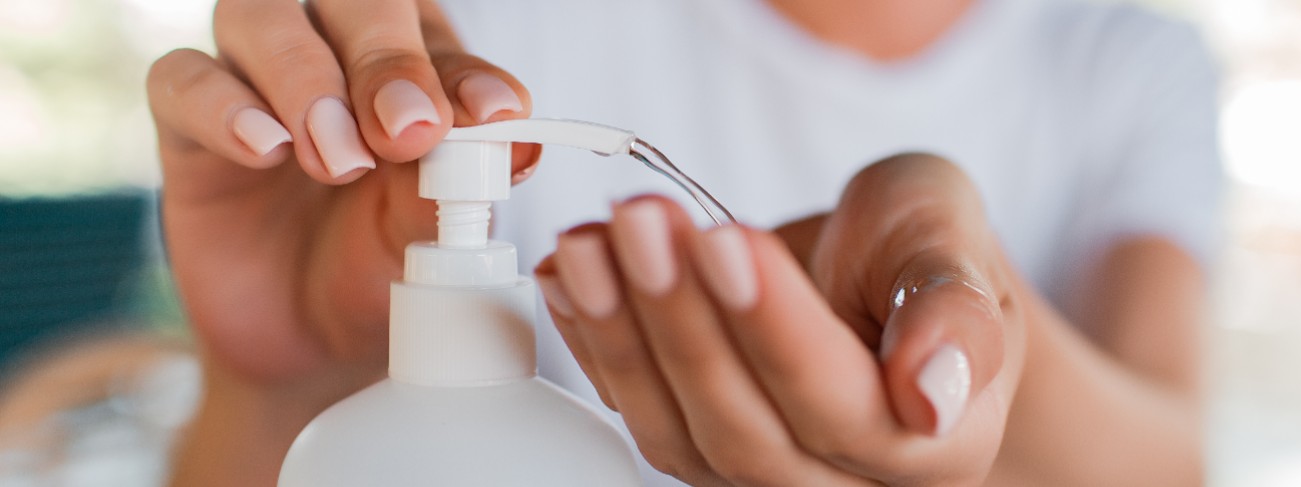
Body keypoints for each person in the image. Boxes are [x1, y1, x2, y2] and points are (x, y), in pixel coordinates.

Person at [147, 0, 1219, 485]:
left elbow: (1171, 461)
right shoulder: (474, 34)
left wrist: (955, 347)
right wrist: (287, 381)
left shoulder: (1125, 61)